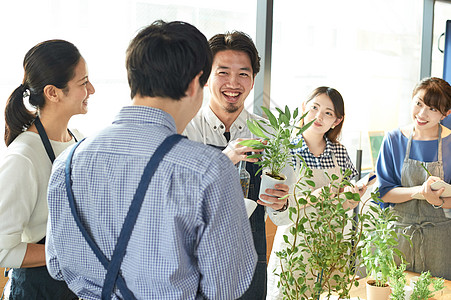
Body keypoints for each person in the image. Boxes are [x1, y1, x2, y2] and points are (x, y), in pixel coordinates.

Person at [45, 20, 257, 299]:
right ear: (196, 83)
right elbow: (225, 287)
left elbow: (57, 266)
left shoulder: (68, 162)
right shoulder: (208, 169)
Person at [183, 31, 290, 299]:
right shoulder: (184, 128)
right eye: (223, 72)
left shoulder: (271, 134)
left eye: (243, 73)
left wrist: (281, 203)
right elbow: (175, 197)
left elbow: (286, 211)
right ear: (205, 76)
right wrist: (223, 160)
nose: (233, 82)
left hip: (249, 260)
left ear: (253, 80)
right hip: (195, 261)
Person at [0, 40, 94, 299]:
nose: (92, 89)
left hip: (73, 285)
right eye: (83, 83)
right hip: (38, 290)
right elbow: (2, 250)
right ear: (53, 92)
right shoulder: (23, 158)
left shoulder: (77, 139)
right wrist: (68, 252)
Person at [266, 86, 364, 300]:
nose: (319, 116)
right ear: (303, 108)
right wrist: (317, 196)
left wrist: (351, 197)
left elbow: (344, 203)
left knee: (330, 293)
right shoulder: (286, 150)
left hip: (333, 241)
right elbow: (279, 203)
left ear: (336, 121)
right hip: (295, 243)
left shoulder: (339, 151)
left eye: (328, 113)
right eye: (314, 108)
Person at [376, 77, 451, 280]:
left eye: (433, 109)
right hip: (398, 237)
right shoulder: (393, 140)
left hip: (441, 241)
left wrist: (439, 201)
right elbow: (384, 193)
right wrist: (419, 192)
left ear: (446, 113)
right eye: (418, 103)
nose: (421, 114)